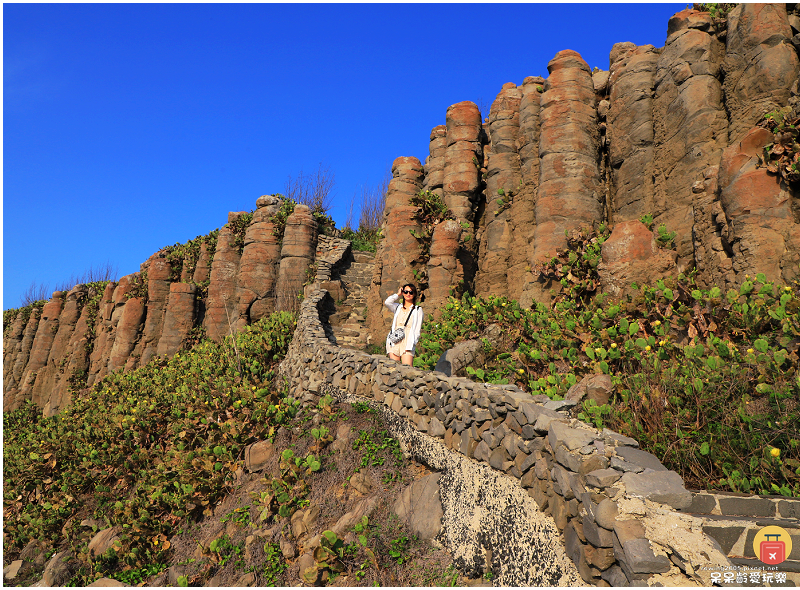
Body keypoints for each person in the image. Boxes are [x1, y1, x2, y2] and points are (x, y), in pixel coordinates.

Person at [384, 283, 424, 366]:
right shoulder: (398, 307)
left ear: (414, 294)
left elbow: (417, 329)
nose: (408, 294)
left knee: (407, 369)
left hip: (407, 342)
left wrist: (413, 342)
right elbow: (387, 302)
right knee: (393, 368)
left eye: (411, 292)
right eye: (405, 292)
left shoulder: (417, 310)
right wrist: (398, 294)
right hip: (394, 340)